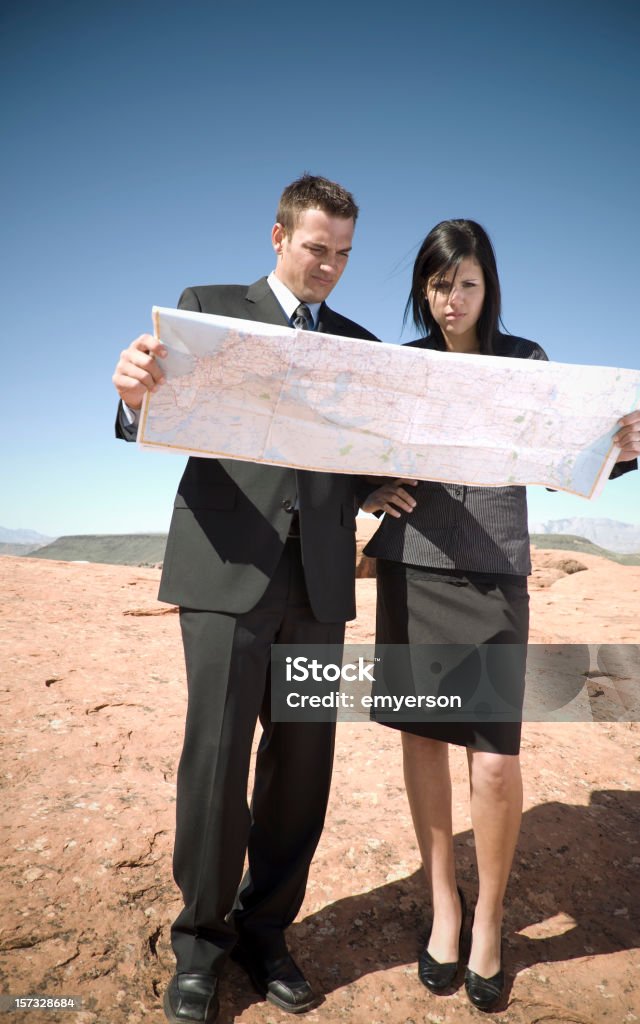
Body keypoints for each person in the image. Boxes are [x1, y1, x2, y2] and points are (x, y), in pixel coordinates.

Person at [112, 175, 383, 1024]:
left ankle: (267, 932)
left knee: (302, 773)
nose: (329, 267)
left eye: (342, 254)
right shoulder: (207, 309)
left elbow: (361, 458)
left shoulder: (360, 344)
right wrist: (130, 398)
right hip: (227, 567)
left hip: (320, 584)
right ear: (277, 237)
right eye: (315, 249)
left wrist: (393, 476)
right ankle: (199, 945)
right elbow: (159, 412)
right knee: (217, 761)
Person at [361, 219, 640, 1012]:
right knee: (421, 740)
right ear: (421, 291)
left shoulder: (525, 363)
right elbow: (350, 448)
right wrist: (367, 495)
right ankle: (443, 906)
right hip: (411, 570)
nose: (449, 299)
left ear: (488, 287)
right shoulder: (405, 365)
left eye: (465, 284)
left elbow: (566, 464)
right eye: (435, 285)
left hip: (493, 575)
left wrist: (620, 449)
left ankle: (489, 914)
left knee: (490, 757)